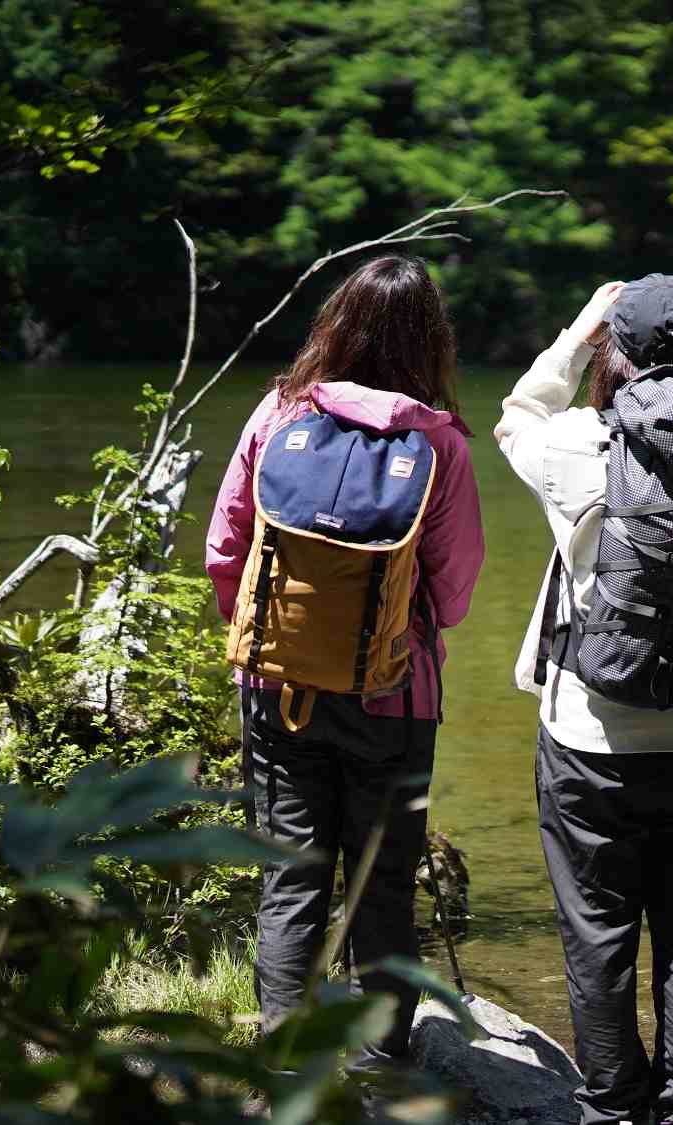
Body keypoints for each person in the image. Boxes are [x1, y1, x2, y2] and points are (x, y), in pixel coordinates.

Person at [497, 274, 673, 1125]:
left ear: (613, 349)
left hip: (592, 739)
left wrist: (578, 330)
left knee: (599, 936)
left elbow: (516, 413)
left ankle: (614, 1110)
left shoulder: (581, 441)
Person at [205, 254, 485, 1080]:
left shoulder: (277, 413)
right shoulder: (439, 445)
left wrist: (270, 641)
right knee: (382, 883)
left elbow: (227, 549)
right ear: (431, 342)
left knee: (292, 875)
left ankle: (285, 1059)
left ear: (337, 325)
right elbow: (457, 590)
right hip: (395, 701)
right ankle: (378, 1061)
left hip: (278, 688)